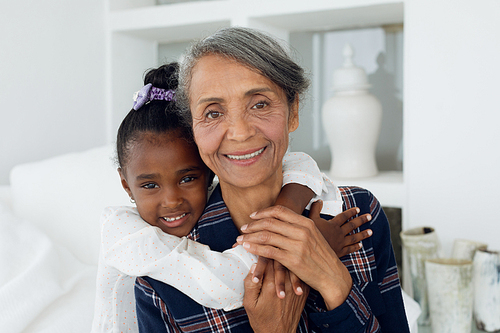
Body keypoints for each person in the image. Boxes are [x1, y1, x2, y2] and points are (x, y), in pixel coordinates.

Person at [134, 27, 410, 332]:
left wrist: (333, 280)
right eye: (213, 113)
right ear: (193, 130)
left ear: (293, 111)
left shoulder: (357, 214)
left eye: (260, 104)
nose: (240, 132)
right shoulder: (163, 275)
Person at [91, 63, 373, 332]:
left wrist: (285, 212)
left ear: (209, 171)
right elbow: (220, 283)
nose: (172, 200)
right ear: (126, 185)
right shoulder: (127, 239)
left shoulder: (359, 207)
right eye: (150, 185)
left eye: (188, 179)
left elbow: (299, 163)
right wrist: (307, 247)